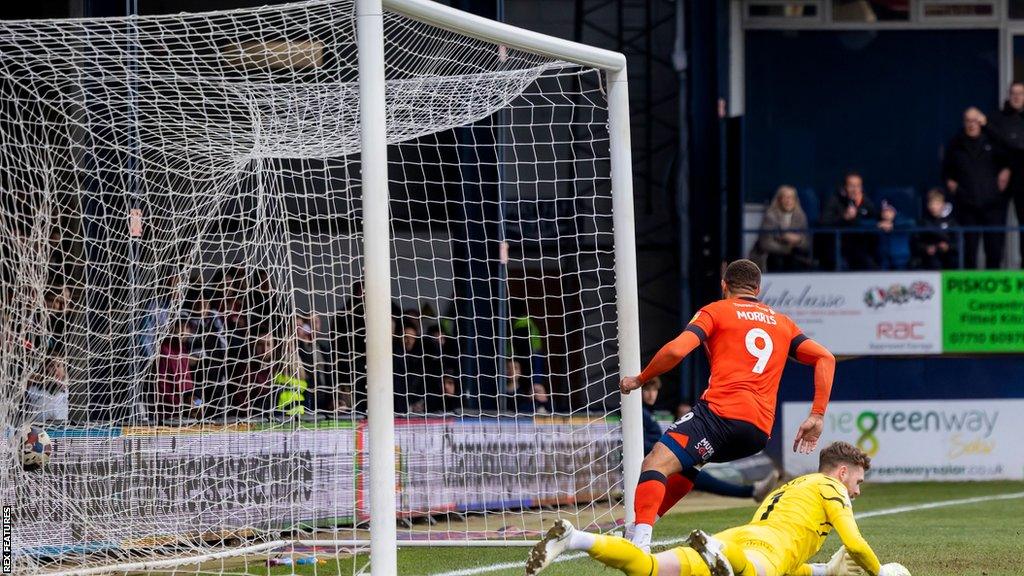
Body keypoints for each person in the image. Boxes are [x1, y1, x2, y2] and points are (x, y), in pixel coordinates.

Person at [618, 259, 835, 552]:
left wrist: (640, 379)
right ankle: (638, 529)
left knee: (655, 461)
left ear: (724, 285)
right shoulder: (783, 323)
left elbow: (677, 350)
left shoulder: (715, 311)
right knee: (686, 465)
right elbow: (826, 358)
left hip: (720, 414)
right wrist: (817, 414)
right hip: (757, 433)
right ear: (758, 289)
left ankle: (639, 541)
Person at [525, 442, 911, 576]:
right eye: (858, 482)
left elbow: (793, 564)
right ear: (843, 473)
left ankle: (574, 538)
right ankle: (719, 555)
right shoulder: (831, 488)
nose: (857, 491)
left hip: (740, 539)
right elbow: (856, 542)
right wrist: (878, 571)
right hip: (759, 551)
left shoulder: (797, 486)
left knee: (650, 568)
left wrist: (827, 570)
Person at [643, 379, 778, 504]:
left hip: (662, 456)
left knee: (695, 470)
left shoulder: (652, 412)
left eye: (654, 390)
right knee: (697, 474)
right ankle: (750, 492)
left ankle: (750, 491)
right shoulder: (640, 413)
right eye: (647, 390)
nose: (651, 394)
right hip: (653, 458)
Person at [942, 107, 1011, 269]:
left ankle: (993, 284)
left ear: (981, 122)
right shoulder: (956, 143)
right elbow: (946, 169)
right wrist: (951, 183)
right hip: (967, 204)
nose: (971, 124)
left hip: (992, 203)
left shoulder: (992, 140)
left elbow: (1009, 149)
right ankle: (969, 284)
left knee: (994, 248)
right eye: (968, 120)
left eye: (975, 120)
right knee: (969, 248)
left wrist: (1006, 170)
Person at [984, 82, 1024, 260]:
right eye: (1013, 93)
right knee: (995, 225)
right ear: (1008, 95)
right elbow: (994, 148)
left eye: (1020, 93)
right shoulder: (997, 119)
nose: (1016, 97)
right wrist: (1004, 167)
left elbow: (1016, 146)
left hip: (1022, 181)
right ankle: (994, 268)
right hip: (998, 180)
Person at [820, 172, 881, 270]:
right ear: (844, 188)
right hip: (838, 248)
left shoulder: (865, 202)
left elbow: (876, 217)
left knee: (872, 266)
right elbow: (824, 223)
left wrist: (886, 219)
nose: (855, 190)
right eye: (851, 186)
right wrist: (844, 218)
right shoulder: (834, 200)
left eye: (858, 186)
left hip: (860, 248)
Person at [750, 185, 811, 272]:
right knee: (778, 260)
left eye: (791, 198)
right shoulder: (770, 216)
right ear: (779, 199)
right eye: (785, 197)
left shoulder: (801, 216)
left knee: (797, 261)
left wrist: (798, 240)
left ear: (795, 200)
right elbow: (765, 243)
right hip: (771, 255)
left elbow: (807, 243)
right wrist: (785, 241)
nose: (788, 201)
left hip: (794, 255)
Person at [914, 188, 959, 270]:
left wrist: (948, 247)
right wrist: (926, 248)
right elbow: (916, 243)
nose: (933, 207)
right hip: (929, 260)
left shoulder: (952, 222)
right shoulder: (923, 222)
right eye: (931, 204)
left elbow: (958, 242)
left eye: (937, 204)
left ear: (943, 204)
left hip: (949, 259)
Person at [875, 200, 914, 270]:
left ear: (894, 212)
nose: (886, 214)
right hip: (883, 259)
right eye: (884, 211)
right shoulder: (879, 223)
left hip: (900, 258)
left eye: (889, 211)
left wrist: (893, 226)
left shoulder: (902, 221)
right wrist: (877, 225)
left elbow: (911, 223)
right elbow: (862, 224)